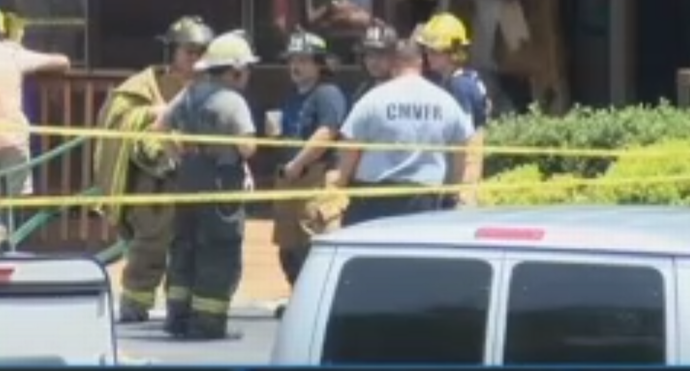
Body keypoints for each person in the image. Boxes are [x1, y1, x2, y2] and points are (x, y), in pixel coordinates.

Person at [93, 15, 214, 324]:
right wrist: (152, 113)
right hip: (155, 182)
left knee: (192, 246)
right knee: (151, 243)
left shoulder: (213, 88)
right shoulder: (144, 87)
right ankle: (135, 302)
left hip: (198, 178)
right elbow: (118, 119)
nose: (195, 59)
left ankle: (180, 305)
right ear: (172, 52)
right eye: (189, 51)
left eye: (202, 52)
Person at [157, 30, 260, 340]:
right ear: (235, 70)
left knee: (185, 246)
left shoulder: (189, 93)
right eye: (246, 70)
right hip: (220, 179)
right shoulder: (233, 102)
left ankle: (178, 317)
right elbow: (248, 148)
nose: (248, 76)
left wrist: (179, 154)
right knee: (219, 249)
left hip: (188, 176)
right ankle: (208, 323)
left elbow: (160, 126)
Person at [336, 39, 476, 225]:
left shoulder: (373, 99)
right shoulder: (445, 101)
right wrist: (453, 191)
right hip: (426, 198)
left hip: (374, 199)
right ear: (420, 62)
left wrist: (342, 181)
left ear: (393, 63)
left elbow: (350, 145)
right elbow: (462, 148)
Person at [273, 29, 348, 296]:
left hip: (314, 176)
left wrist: (297, 163)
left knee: (311, 241)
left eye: (304, 60)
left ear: (319, 64)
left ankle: (313, 299)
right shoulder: (293, 96)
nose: (295, 65)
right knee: (288, 246)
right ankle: (298, 297)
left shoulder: (327, 93)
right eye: (293, 59)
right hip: (288, 178)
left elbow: (327, 133)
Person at [0, 8, 70, 201]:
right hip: (13, 137)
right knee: (15, 200)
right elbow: (63, 62)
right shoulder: (13, 54)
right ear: (1, 32)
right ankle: (12, 230)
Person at [414, 12, 491, 207]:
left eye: (435, 51)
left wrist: (458, 189)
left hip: (461, 181)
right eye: (427, 51)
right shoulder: (468, 79)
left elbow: (464, 140)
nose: (428, 56)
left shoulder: (459, 87)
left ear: (453, 51)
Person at [350, 20, 398, 105]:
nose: (373, 61)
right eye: (369, 55)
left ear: (393, 56)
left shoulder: (404, 88)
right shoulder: (363, 90)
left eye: (380, 55)